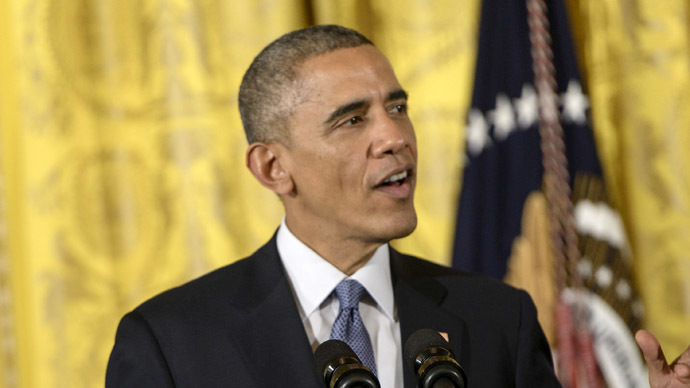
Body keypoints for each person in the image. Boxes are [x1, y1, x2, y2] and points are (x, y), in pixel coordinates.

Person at [105, 25, 690, 388]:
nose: (394, 137)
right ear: (273, 168)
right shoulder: (171, 343)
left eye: (398, 107)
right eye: (353, 119)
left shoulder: (498, 321)